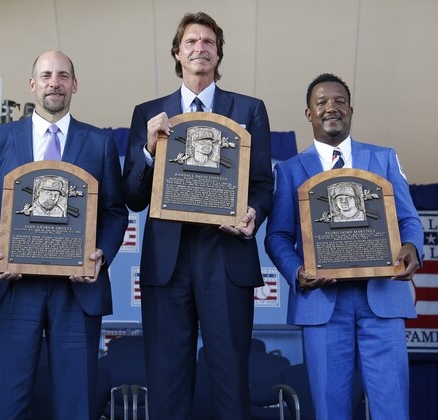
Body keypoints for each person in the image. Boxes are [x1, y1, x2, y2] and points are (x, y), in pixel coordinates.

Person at [122, 12, 273, 419]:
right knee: (167, 379)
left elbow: (262, 183)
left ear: (218, 53)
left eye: (208, 42)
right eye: (191, 42)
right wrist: (150, 151)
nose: (200, 48)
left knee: (230, 379)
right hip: (168, 262)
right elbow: (133, 196)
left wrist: (253, 213)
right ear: (177, 52)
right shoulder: (149, 113)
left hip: (226, 257)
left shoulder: (250, 109)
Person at [0, 50, 128, 419]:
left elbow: (114, 212)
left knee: (76, 406)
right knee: (3, 406)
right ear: (32, 84)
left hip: (77, 290)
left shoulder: (100, 142)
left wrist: (100, 255)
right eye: (45, 76)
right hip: (13, 287)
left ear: (74, 85)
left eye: (62, 76)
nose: (53, 83)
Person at [265, 73, 423, 419]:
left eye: (338, 101)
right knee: (329, 409)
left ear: (350, 110)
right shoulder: (290, 171)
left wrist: (411, 245)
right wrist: (297, 272)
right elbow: (276, 237)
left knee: (392, 407)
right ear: (308, 113)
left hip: (381, 298)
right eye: (321, 102)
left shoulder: (384, 158)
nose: (330, 108)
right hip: (323, 304)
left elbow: (409, 219)